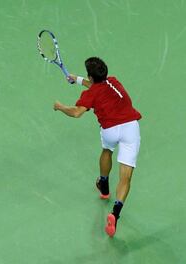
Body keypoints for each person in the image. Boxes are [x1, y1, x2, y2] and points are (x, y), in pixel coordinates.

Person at [53, 57, 141, 237]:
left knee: (107, 150)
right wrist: (76, 79)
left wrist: (60, 107)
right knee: (125, 177)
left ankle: (104, 185)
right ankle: (115, 213)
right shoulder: (114, 81)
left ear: (91, 77)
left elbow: (77, 112)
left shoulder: (90, 94)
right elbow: (97, 86)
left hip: (110, 130)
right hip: (130, 128)